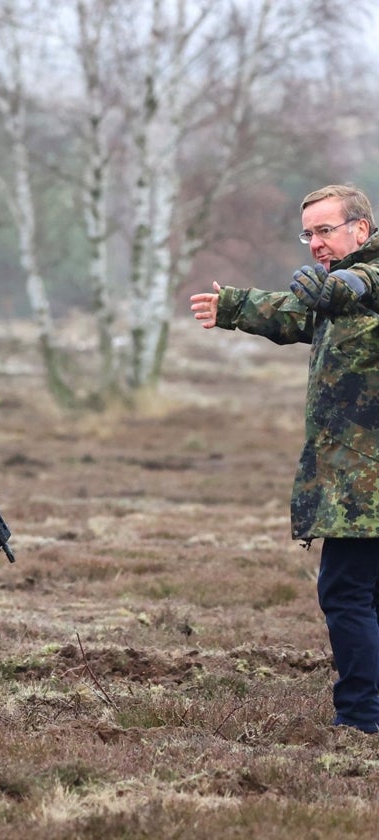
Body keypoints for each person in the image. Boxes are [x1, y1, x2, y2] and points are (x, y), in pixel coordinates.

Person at [190, 183, 379, 733]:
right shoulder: (331, 298)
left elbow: (359, 283)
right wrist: (232, 306)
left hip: (363, 488)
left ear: (360, 230)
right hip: (352, 481)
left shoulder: (364, 278)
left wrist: (338, 283)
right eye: (309, 234)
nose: (315, 243)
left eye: (326, 230)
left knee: (345, 595)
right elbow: (294, 313)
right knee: (366, 597)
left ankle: (361, 716)